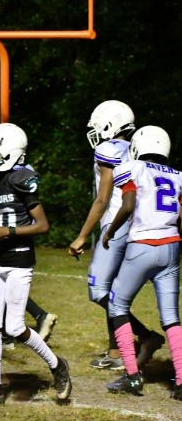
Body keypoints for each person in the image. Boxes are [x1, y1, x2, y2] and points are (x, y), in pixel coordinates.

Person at [0, 123, 71, 406]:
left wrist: (8, 232)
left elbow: (42, 225)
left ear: (7, 153)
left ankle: (57, 365)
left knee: (14, 327)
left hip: (19, 260)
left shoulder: (21, 179)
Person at [69, 100, 164, 370]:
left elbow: (103, 198)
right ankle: (115, 351)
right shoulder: (137, 148)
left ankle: (146, 336)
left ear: (110, 125)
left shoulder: (107, 149)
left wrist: (81, 236)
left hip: (116, 225)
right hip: (139, 224)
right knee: (113, 290)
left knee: (99, 290)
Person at [101, 126, 182, 400]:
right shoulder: (177, 175)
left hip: (143, 245)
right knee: (171, 317)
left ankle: (132, 375)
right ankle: (181, 381)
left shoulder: (133, 168)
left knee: (117, 305)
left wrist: (110, 232)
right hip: (171, 246)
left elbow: (128, 204)